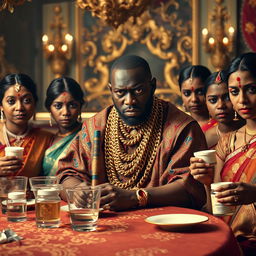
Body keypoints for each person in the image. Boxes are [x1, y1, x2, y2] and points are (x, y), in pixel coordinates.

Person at [57, 55, 208, 211]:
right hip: (104, 227)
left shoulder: (182, 128)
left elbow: (190, 188)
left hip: (163, 225)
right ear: (111, 90)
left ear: (153, 86)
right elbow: (65, 174)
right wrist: (76, 191)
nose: (129, 101)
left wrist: (135, 197)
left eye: (138, 90)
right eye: (120, 92)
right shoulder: (95, 127)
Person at [190, 52, 256, 255]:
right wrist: (206, 181)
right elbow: (215, 210)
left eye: (252, 89)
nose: (242, 100)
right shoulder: (227, 143)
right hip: (227, 240)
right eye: (234, 92)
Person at [0, 73, 53, 177]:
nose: (19, 107)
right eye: (11, 101)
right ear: (1, 106)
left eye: (27, 100)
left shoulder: (45, 139)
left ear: (35, 104)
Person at [42, 77, 85, 176]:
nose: (65, 112)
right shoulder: (46, 139)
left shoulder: (86, 136)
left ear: (80, 107)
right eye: (58, 106)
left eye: (72, 105)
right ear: (49, 109)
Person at [204, 71, 245, 149]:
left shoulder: (250, 132)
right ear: (205, 102)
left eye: (227, 98)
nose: (220, 105)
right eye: (213, 100)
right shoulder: (205, 137)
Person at [178, 65, 213, 131]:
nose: (194, 99)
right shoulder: (178, 127)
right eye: (187, 93)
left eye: (200, 92)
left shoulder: (221, 126)